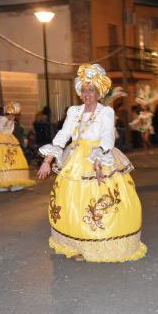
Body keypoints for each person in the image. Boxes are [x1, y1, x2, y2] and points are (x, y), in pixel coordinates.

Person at [38, 64, 146, 262]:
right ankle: (77, 245)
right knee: (73, 201)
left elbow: (107, 136)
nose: (87, 94)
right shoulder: (74, 111)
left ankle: (99, 244)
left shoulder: (105, 112)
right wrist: (48, 159)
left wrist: (99, 158)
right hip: (76, 158)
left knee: (98, 200)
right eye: (84, 90)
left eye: (91, 90)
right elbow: (64, 134)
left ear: (98, 93)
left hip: (99, 155)